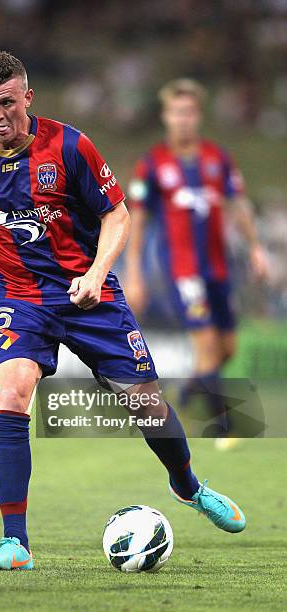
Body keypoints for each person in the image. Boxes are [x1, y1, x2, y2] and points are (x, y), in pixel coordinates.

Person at [0, 53, 245, 572]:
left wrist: (97, 271)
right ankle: (15, 541)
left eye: (8, 103)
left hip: (90, 294)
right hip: (17, 298)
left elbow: (117, 214)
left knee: (145, 406)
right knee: (11, 392)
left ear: (28, 98)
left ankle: (188, 486)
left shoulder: (68, 145)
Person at [125, 78, 268, 450]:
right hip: (181, 270)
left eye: (189, 112)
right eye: (177, 112)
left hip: (218, 268)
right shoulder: (153, 164)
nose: (183, 119)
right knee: (206, 346)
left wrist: (255, 248)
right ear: (166, 116)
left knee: (227, 348)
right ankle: (224, 426)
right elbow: (138, 220)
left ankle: (187, 396)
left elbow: (238, 205)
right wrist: (135, 272)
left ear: (198, 116)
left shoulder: (217, 159)